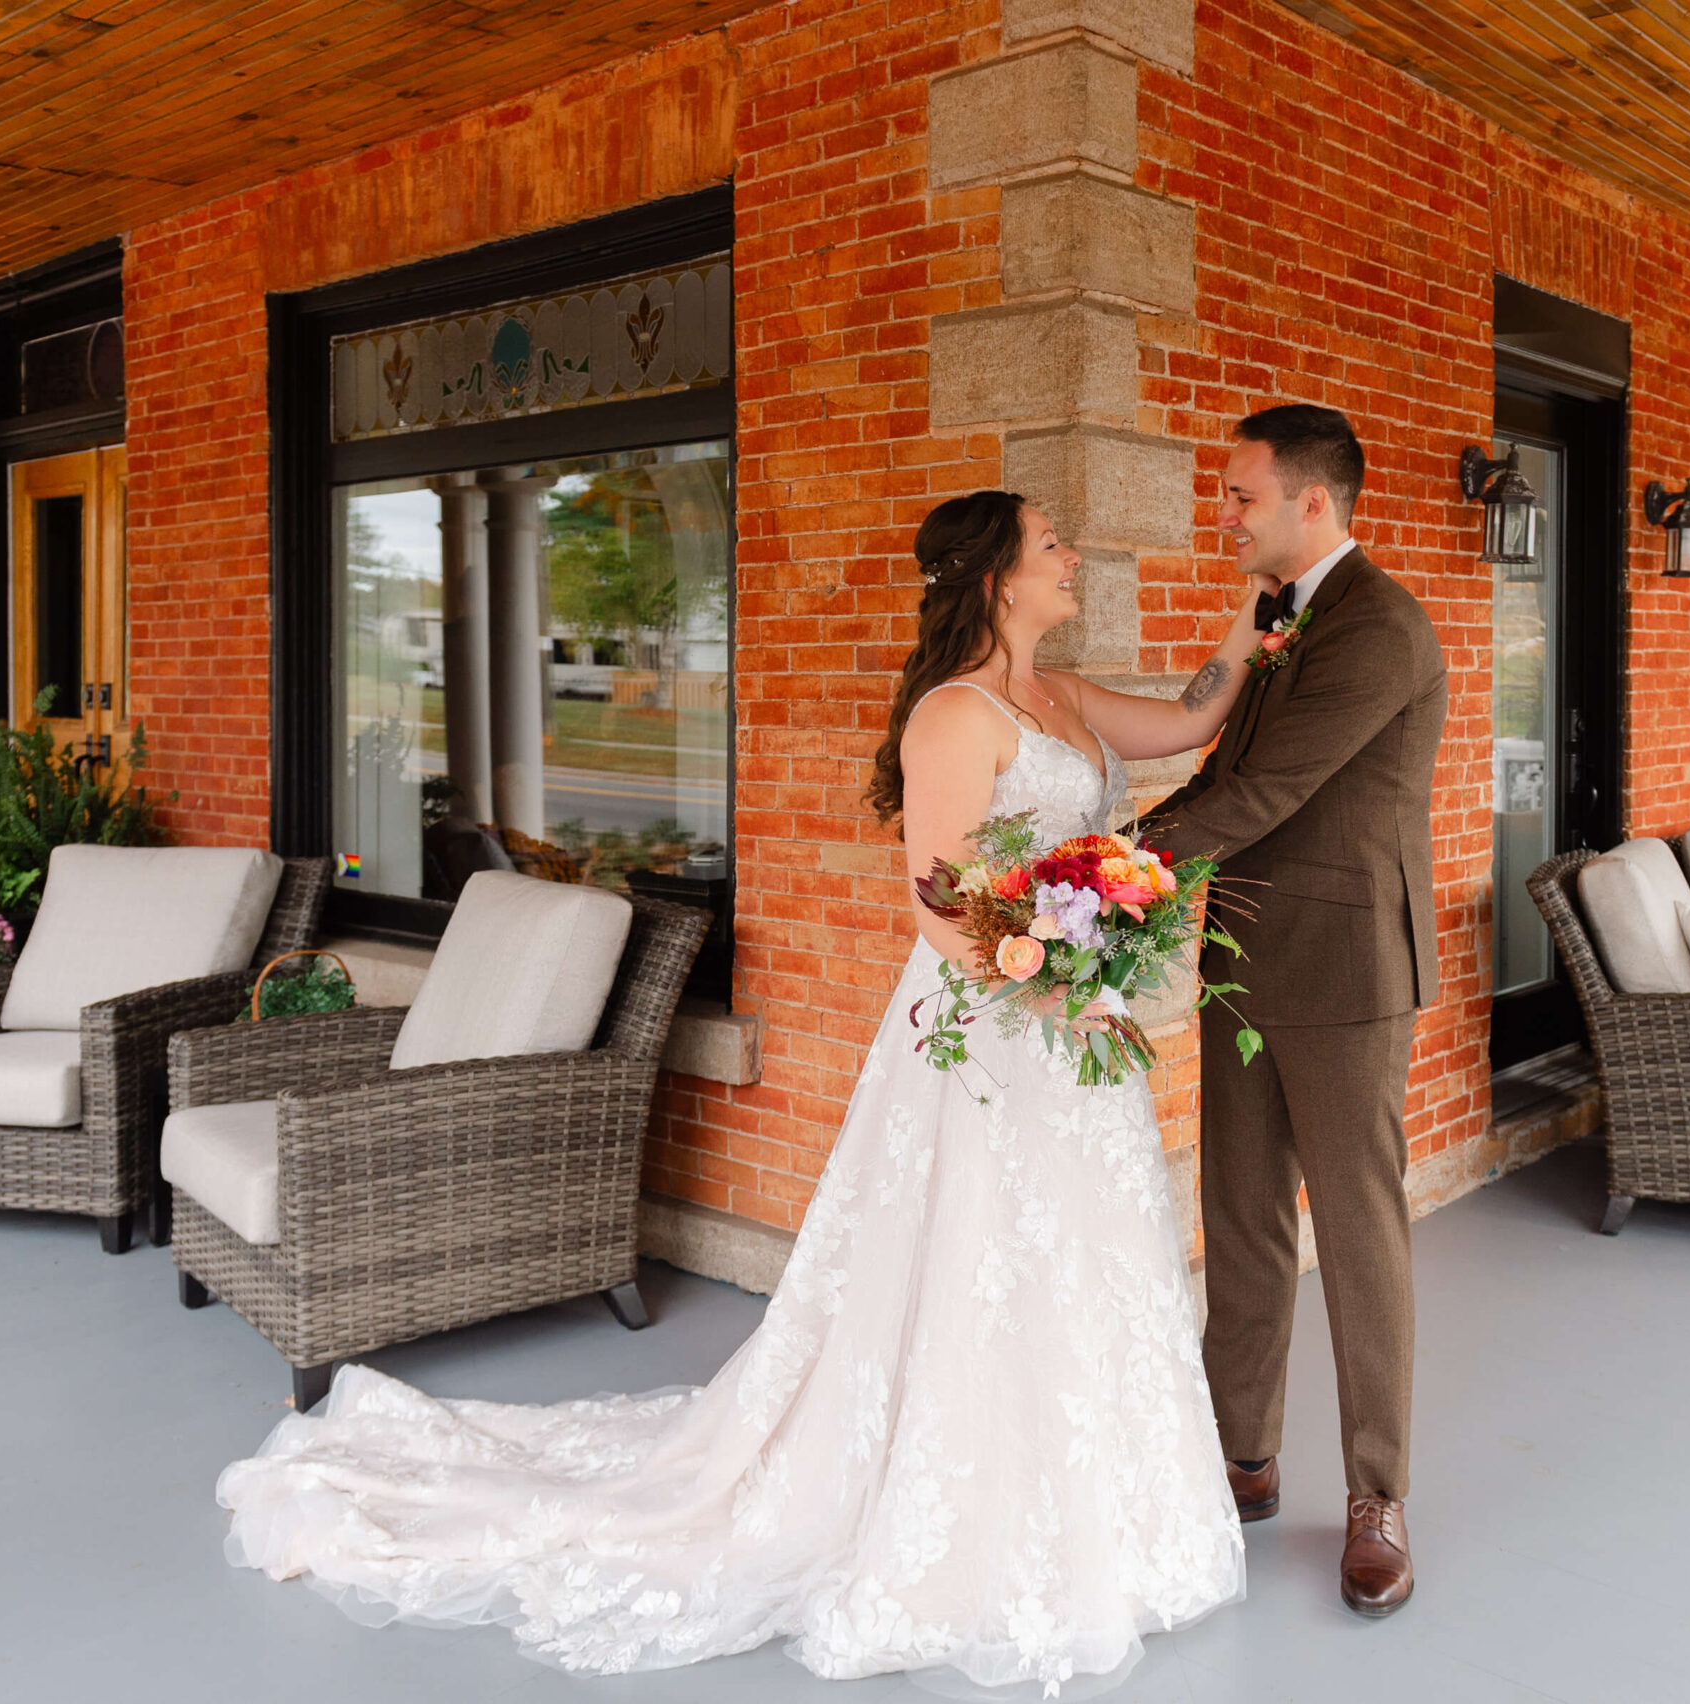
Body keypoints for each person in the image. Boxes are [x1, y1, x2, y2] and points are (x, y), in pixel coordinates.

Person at [215, 490, 1269, 1695]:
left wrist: (1254, 620)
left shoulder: (1067, 698)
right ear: (996, 577)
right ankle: (954, 1510)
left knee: (1079, 1261)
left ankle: (1102, 1507)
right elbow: (935, 904)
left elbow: (1188, 723)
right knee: (976, 1257)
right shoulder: (952, 717)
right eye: (1049, 545)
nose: (1070, 556)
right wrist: (1052, 988)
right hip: (991, 1033)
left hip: (1070, 1036)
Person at [1138, 404, 1448, 1619]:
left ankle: (1379, 1493)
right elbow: (1218, 762)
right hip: (1243, 954)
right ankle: (1242, 1456)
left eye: (1237, 495)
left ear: (1310, 502)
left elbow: (1267, 789)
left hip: (1349, 969)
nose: (1222, 513)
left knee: (1359, 1231)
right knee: (1242, 1214)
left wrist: (1107, 872)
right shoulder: (1278, 618)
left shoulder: (1379, 626)